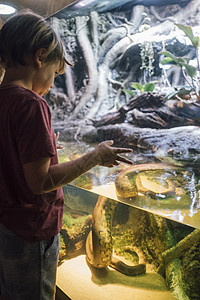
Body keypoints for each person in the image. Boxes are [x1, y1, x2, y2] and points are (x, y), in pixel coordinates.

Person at [0, 10, 133, 300]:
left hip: (6, 227)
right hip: (31, 232)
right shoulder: (31, 104)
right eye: (55, 73)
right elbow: (40, 182)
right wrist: (94, 157)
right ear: (39, 57)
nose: (50, 86)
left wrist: (42, 148)